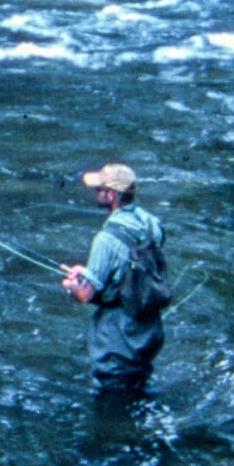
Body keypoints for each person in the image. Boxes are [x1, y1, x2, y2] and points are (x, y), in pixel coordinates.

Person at [60, 162, 169, 393]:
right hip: (149, 328)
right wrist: (89, 271)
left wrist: (70, 286)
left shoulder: (106, 238)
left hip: (119, 335)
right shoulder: (153, 223)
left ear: (112, 195)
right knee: (139, 384)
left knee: (113, 395)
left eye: (99, 189)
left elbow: (86, 294)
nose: (95, 193)